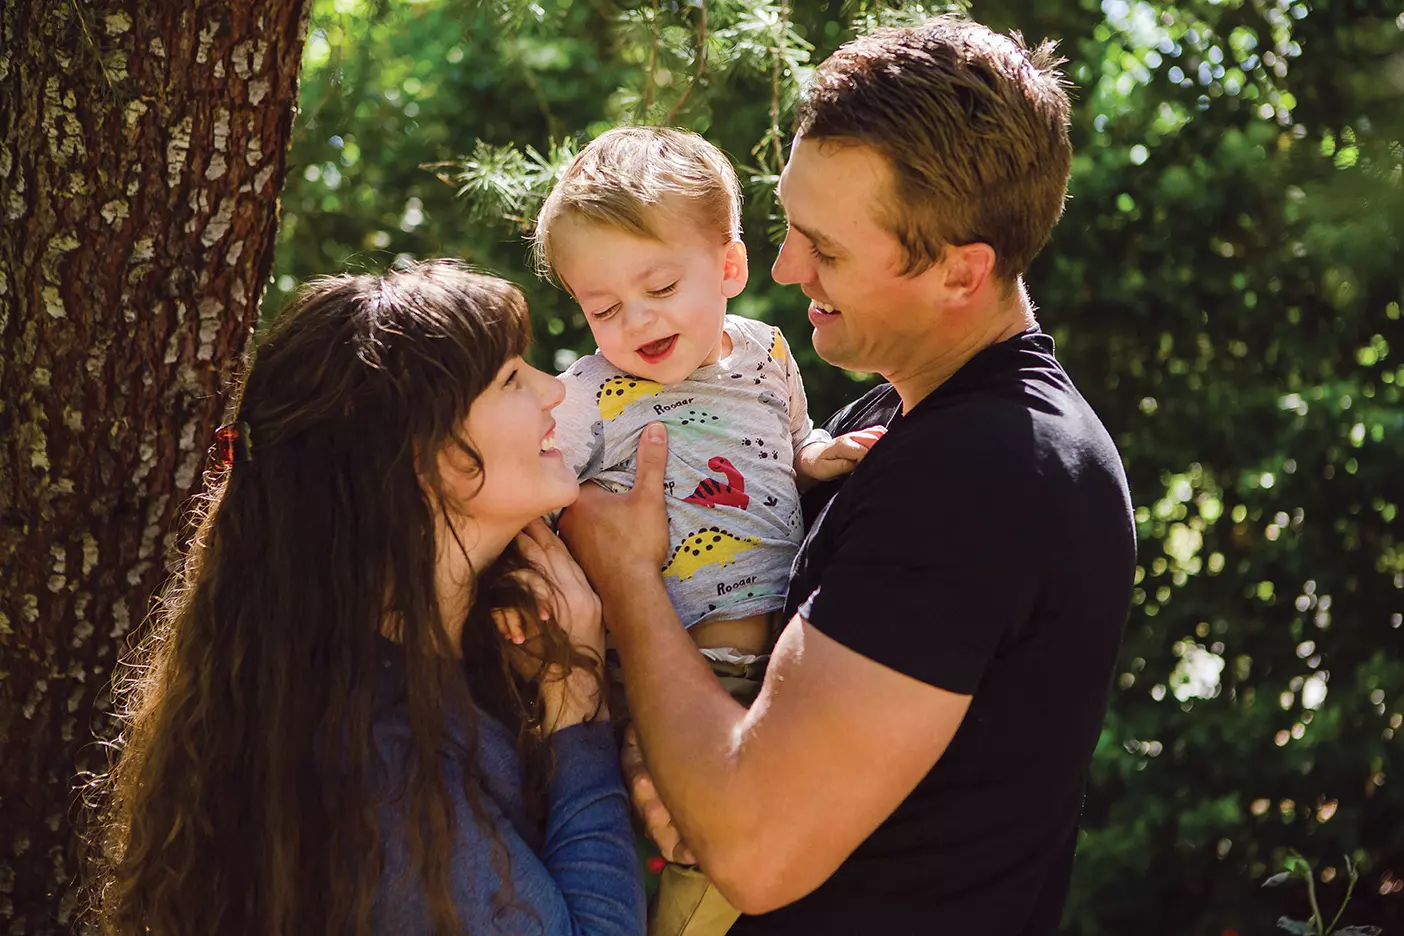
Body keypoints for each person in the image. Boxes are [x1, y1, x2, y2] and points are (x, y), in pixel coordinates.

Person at [558, 16, 1137, 936]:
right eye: (788, 226)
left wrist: (625, 574)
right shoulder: (890, 425)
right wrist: (660, 742)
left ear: (961, 272)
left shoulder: (990, 472)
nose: (785, 269)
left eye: (823, 247)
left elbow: (754, 845)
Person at [87, 262, 646, 936]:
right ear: (423, 458)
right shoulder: (380, 761)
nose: (555, 389)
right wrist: (577, 715)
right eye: (510, 379)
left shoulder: (480, 640)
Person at [532, 127, 883, 935]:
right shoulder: (589, 394)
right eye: (604, 308)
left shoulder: (767, 354)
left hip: (784, 673)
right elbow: (547, 495)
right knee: (689, 871)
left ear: (728, 268)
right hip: (669, 676)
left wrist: (820, 454)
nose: (636, 320)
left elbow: (781, 446)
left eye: (659, 286)